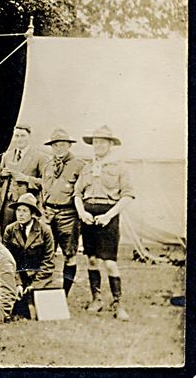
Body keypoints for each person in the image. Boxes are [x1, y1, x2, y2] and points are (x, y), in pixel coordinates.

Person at [74, 125, 135, 321]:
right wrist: (82, 212)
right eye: (96, 142)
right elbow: (77, 194)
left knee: (109, 263)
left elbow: (128, 196)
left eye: (102, 142)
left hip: (108, 214)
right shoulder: (87, 167)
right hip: (88, 216)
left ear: (110, 144)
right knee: (91, 260)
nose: (98, 145)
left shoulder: (120, 167)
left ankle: (117, 302)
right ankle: (96, 299)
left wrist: (109, 215)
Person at [40, 128, 85, 296]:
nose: (58, 149)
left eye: (62, 145)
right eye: (55, 145)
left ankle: (64, 294)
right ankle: (45, 292)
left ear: (69, 146)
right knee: (46, 254)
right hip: (48, 214)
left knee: (69, 255)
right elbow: (43, 191)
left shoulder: (79, 166)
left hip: (69, 215)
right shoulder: (48, 166)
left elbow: (82, 193)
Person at [2, 193, 55, 317]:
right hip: (17, 275)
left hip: (39, 277)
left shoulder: (44, 231)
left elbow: (48, 262)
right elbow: (6, 260)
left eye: (24, 211)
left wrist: (34, 285)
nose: (20, 214)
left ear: (32, 214)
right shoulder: (10, 230)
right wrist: (17, 283)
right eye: (18, 210)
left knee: (41, 313)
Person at [0, 124, 48, 234]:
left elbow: (46, 182)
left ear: (29, 137)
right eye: (16, 136)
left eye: (23, 136)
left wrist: (26, 179)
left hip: (28, 205)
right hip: (8, 205)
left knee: (26, 236)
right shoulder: (7, 155)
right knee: (7, 235)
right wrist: (2, 175)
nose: (19, 139)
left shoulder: (40, 156)